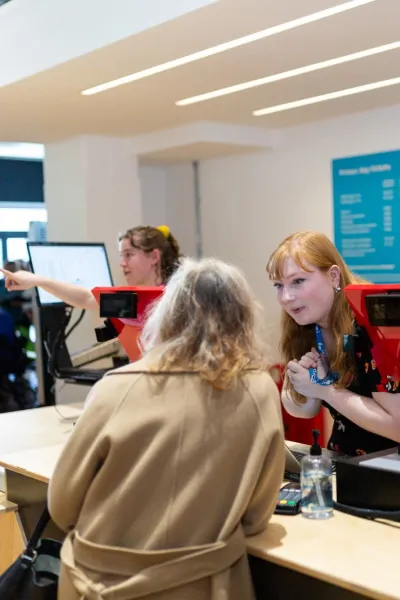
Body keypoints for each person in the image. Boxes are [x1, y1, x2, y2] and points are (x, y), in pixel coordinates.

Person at [47, 257, 285, 599]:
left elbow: (62, 507)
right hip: (206, 587)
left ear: (167, 314)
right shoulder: (259, 390)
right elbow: (257, 514)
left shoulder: (115, 387)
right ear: (243, 318)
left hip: (99, 586)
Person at [266, 231, 400, 457]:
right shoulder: (305, 323)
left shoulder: (378, 325)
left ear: (333, 277)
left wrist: (325, 389)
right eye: (278, 285)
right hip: (349, 460)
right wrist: (306, 383)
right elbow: (305, 409)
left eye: (298, 281)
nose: (286, 297)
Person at [0, 225, 182, 311]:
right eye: (121, 256)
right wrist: (38, 280)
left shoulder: (180, 299)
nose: (122, 263)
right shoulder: (135, 302)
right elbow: (86, 298)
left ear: (154, 257)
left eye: (129, 255)